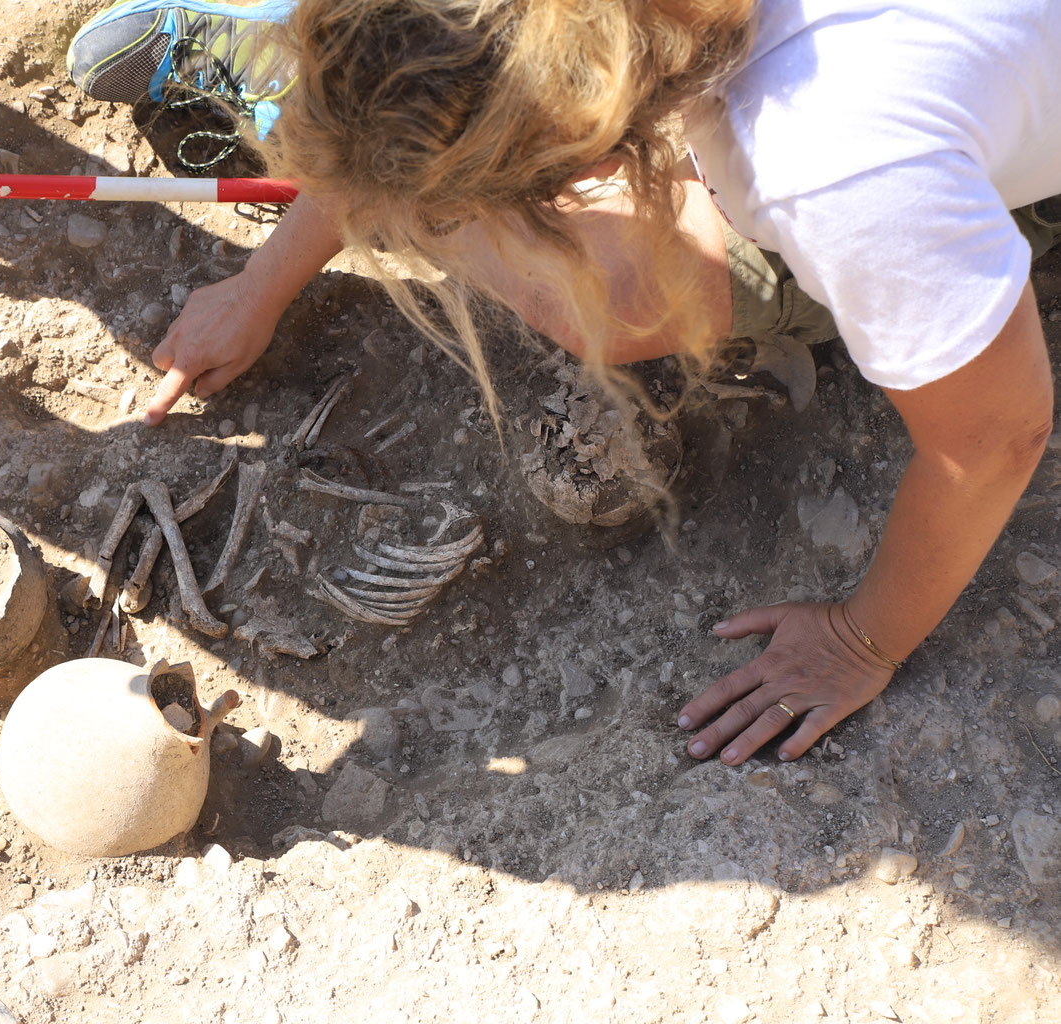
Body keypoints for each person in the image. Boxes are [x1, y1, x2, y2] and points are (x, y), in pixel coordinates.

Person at [66, 0, 1059, 765]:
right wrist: (262, 280)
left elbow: (993, 435)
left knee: (614, 296)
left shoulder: (829, 159)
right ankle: (280, 46)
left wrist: (861, 639)